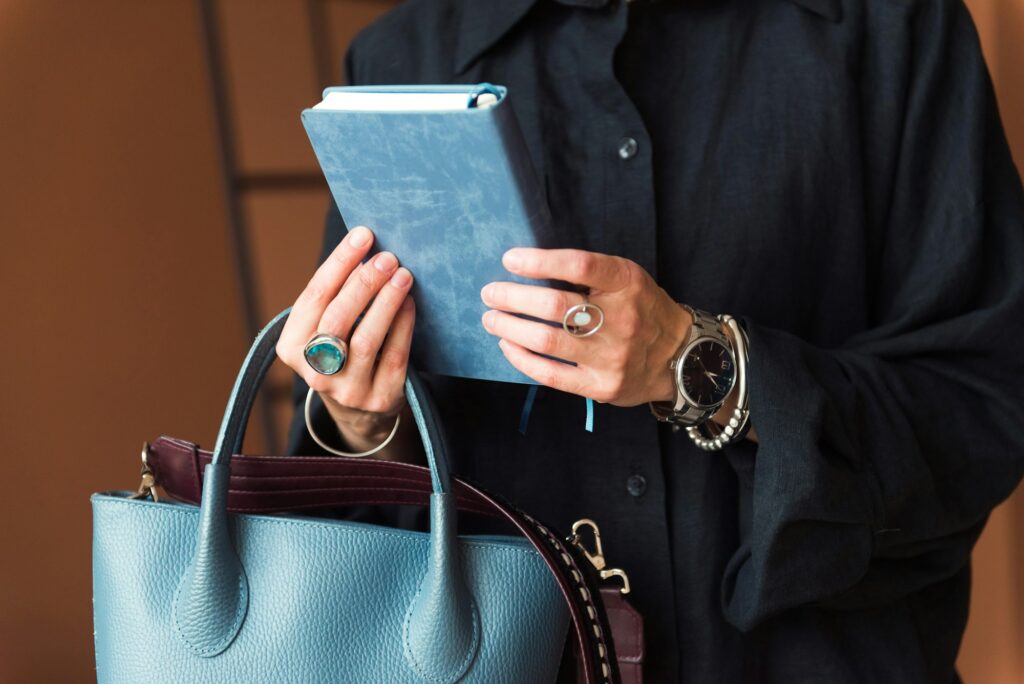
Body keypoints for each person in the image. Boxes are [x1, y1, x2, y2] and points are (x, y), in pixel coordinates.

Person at [277, 0, 1024, 680]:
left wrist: (695, 363)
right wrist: (360, 419)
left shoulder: (891, 26)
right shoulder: (400, 60)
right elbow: (361, 509)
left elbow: (981, 408)